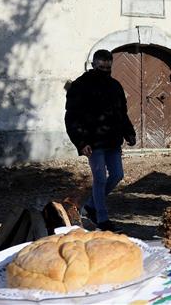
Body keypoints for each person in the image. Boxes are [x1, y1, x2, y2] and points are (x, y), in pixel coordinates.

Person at [65, 49, 136, 232]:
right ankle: (102, 220)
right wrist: (81, 142)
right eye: (100, 66)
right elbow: (72, 117)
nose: (104, 69)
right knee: (100, 178)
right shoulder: (80, 86)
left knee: (117, 175)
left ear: (111, 65)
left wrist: (129, 132)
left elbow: (122, 113)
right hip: (92, 142)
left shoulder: (115, 86)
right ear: (93, 64)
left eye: (107, 66)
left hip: (112, 140)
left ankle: (90, 205)